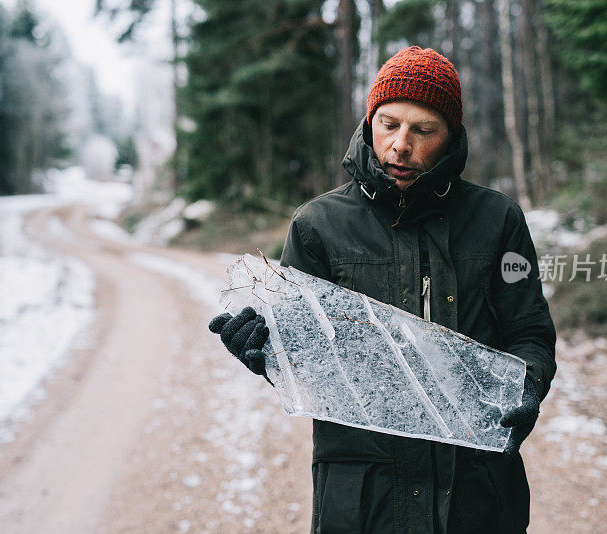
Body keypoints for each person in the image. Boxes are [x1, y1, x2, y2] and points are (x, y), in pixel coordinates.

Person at [209, 46, 556, 533]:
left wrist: (529, 383)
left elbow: (530, 331)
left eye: (423, 130)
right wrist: (268, 354)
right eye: (389, 124)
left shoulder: (497, 220)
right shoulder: (317, 226)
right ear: (369, 119)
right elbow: (309, 364)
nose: (399, 145)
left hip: (475, 493)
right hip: (363, 495)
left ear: (451, 135)